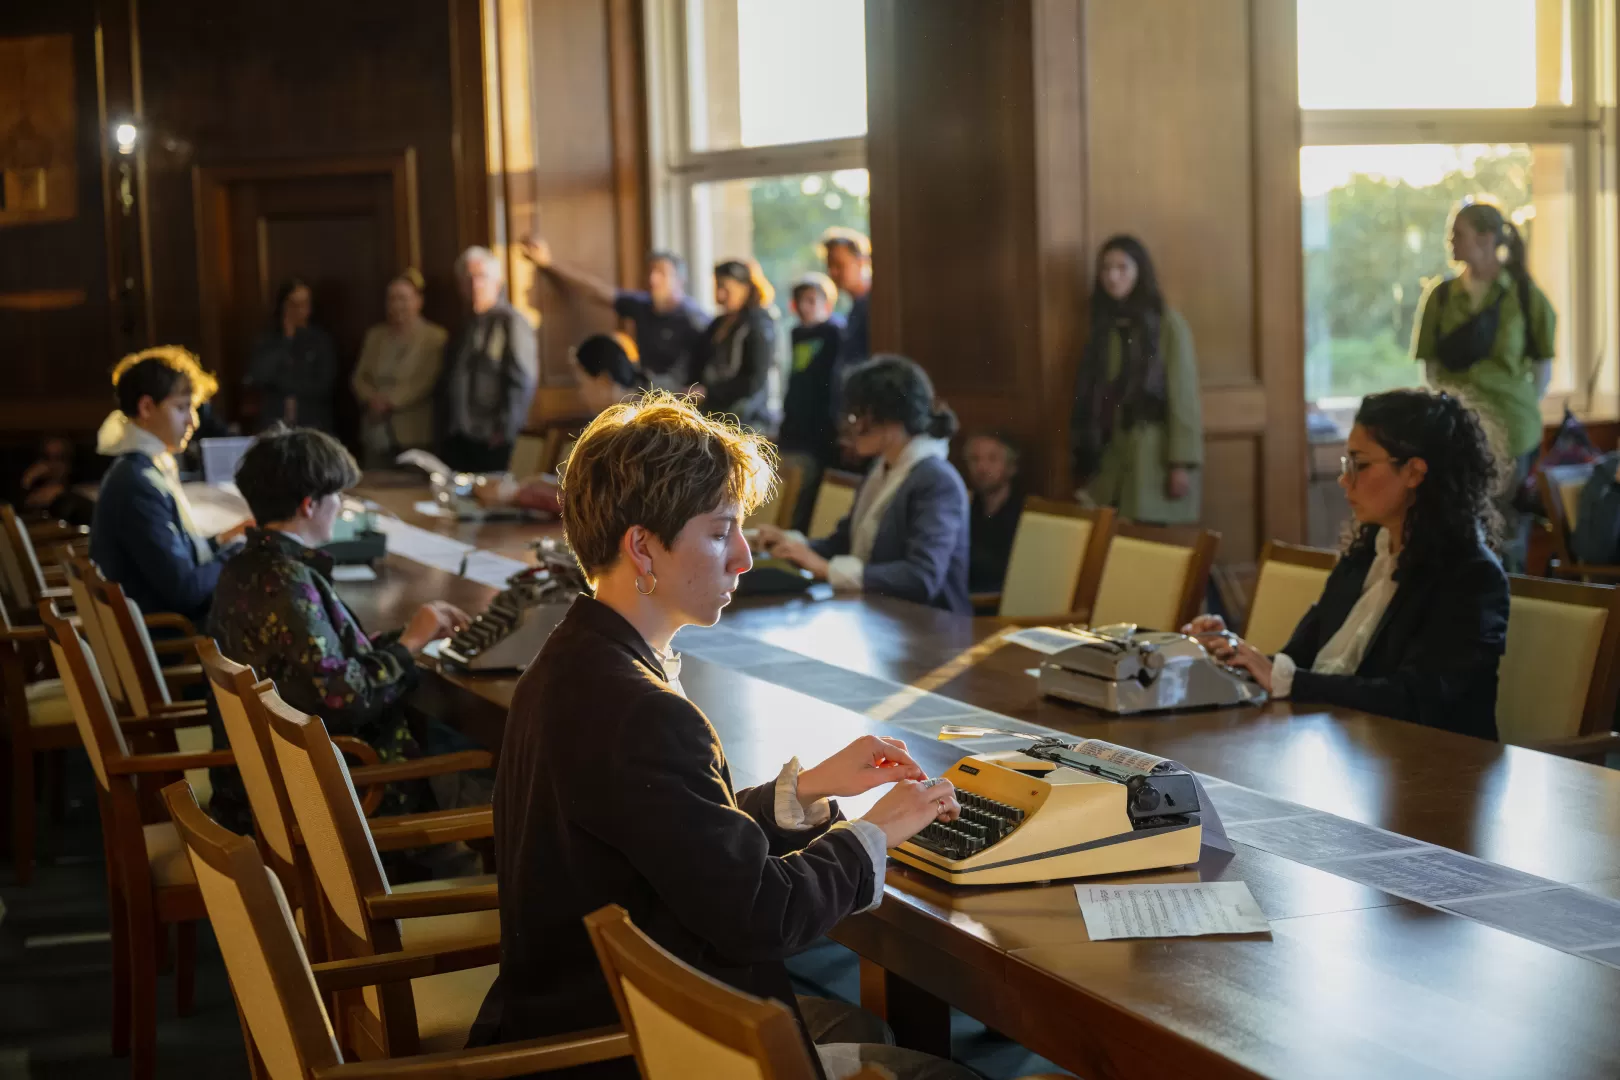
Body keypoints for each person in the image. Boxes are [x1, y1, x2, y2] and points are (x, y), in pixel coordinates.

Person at [472, 392, 975, 1080]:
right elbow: (760, 916)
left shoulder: (570, 661)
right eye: (719, 532)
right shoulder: (642, 711)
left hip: (581, 1014)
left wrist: (805, 792)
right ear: (642, 547)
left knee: (861, 1027)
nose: (743, 557)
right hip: (636, 1047)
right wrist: (876, 833)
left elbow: (676, 843)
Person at [205, 426, 487, 837]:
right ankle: (455, 861)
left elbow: (319, 660)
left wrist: (411, 634)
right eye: (336, 496)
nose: (339, 506)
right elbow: (342, 695)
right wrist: (409, 646)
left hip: (263, 780)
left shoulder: (246, 565)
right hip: (327, 796)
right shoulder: (286, 581)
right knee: (469, 750)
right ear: (309, 505)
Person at [1183, 388, 1510, 741]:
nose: (1344, 479)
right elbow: (1300, 663)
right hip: (1341, 750)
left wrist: (1278, 674)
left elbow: (1416, 701)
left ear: (1414, 472)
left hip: (1428, 772)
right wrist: (1232, 655)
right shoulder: (1364, 555)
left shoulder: (1472, 578)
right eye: (1346, 464)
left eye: (1360, 464)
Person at [757, 356, 970, 614]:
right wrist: (791, 546)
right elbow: (843, 543)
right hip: (880, 615)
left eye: (857, 415)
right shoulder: (883, 468)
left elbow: (921, 577)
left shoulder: (936, 479)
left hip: (932, 628)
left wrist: (826, 570)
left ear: (891, 418)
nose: (851, 425)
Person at [1413, 198, 1556, 572]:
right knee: (1459, 528)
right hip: (1459, 432)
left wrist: (1519, 402)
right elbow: (1430, 368)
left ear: (1487, 237)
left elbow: (1543, 362)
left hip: (1513, 430)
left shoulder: (1523, 294)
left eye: (1458, 233)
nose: (1450, 242)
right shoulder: (1441, 297)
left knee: (1509, 533)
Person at [90, 348, 249, 625]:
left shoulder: (142, 467)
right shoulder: (136, 482)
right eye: (181, 407)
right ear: (147, 407)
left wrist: (227, 537)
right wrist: (240, 553)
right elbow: (184, 589)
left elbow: (179, 561)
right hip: (169, 639)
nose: (193, 420)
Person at [1070, 234, 1202, 524]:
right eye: (1106, 268)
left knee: (1148, 536)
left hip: (1153, 449)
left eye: (1122, 268)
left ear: (1139, 272)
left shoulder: (1166, 323)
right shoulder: (1103, 325)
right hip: (1111, 446)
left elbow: (1183, 396)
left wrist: (1180, 463)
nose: (1113, 277)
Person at [522, 240, 708, 394]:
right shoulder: (643, 305)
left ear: (680, 280)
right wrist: (548, 264)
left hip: (679, 395)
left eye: (661, 273)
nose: (653, 279)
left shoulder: (694, 319)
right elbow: (595, 291)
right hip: (644, 388)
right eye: (650, 272)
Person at [439, 246, 539, 473]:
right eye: (468, 278)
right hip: (459, 437)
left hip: (492, 439)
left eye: (481, 277)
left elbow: (523, 382)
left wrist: (505, 430)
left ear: (497, 281)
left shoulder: (511, 322)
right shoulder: (463, 325)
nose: (475, 284)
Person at [351, 269, 448, 468]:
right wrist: (372, 400)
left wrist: (389, 402)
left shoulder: (435, 337)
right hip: (376, 431)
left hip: (414, 433)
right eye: (392, 299)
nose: (397, 305)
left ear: (419, 301)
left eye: (403, 299)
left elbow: (425, 380)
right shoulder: (375, 335)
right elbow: (359, 377)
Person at [778, 272, 846, 531]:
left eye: (811, 300)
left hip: (821, 429)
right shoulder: (796, 333)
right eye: (800, 301)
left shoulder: (835, 333)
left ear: (826, 304)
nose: (805, 308)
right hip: (795, 427)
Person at [694, 258, 777, 432]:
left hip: (745, 419)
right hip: (715, 414)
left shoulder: (758, 324)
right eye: (718, 287)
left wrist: (710, 392)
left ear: (745, 287)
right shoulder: (717, 323)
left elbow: (754, 380)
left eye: (726, 288)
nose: (720, 295)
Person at [246, 278, 338, 434]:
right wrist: (287, 340)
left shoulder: (320, 341)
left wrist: (287, 388)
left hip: (312, 423)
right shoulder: (269, 340)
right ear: (283, 306)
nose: (300, 310)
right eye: (294, 305)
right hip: (274, 422)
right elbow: (259, 376)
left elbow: (324, 383)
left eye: (304, 304)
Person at [962, 432, 1025, 593]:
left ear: (1011, 467)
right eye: (975, 459)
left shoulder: (1022, 514)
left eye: (992, 459)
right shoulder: (964, 507)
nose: (982, 468)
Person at [823, 226, 872, 369]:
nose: (832, 272)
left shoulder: (873, 306)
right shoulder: (856, 307)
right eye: (829, 265)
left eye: (839, 264)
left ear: (862, 262)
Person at [572, 331, 650, 416]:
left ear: (604, 381)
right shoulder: (643, 411)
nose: (581, 394)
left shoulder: (628, 423)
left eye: (581, 384)